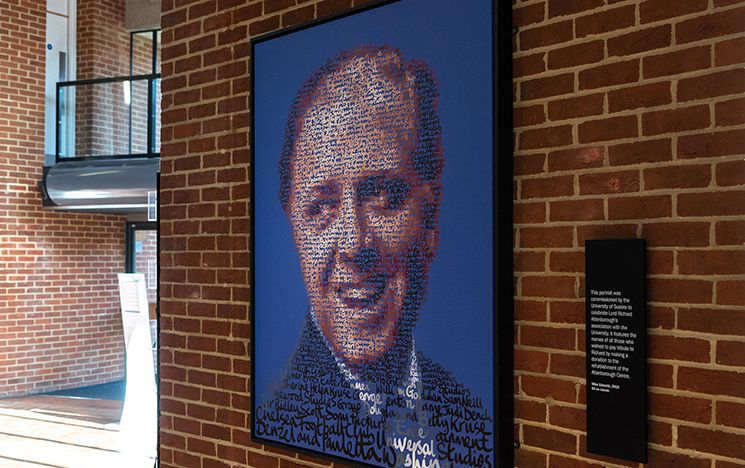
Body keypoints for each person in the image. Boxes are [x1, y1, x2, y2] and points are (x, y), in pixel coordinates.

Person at [255, 45, 493, 468]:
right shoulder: (277, 417)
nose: (353, 241)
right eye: (321, 207)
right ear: (293, 226)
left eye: (382, 195)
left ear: (431, 217)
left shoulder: (472, 419)